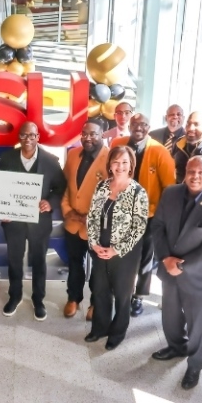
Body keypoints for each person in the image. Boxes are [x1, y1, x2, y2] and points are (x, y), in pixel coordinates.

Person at [151, 156, 202, 390]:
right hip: (169, 267)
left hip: (199, 276)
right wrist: (165, 258)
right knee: (170, 314)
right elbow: (157, 227)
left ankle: (195, 365)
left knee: (198, 324)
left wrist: (180, 266)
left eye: (201, 173)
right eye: (191, 171)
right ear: (185, 172)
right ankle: (176, 346)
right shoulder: (170, 193)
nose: (195, 176)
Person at [0, 121, 66, 321]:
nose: (28, 139)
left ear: (38, 137)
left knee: (39, 262)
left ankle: (38, 299)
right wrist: (1, 208)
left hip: (39, 222)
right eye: (24, 135)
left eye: (32, 135)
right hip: (13, 221)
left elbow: (60, 188)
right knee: (14, 260)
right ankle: (15, 295)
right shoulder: (7, 159)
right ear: (19, 137)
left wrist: (50, 202)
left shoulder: (51, 161)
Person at [84, 146, 148, 351]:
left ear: (131, 165)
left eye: (124, 162)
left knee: (122, 294)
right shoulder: (102, 186)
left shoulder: (138, 192)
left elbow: (139, 228)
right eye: (116, 162)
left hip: (125, 253)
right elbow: (92, 216)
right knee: (100, 290)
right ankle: (99, 328)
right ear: (109, 165)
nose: (120, 166)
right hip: (100, 247)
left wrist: (116, 250)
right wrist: (94, 243)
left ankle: (117, 333)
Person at [111, 113, 175, 316]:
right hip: (121, 211)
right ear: (129, 125)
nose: (139, 127)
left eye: (144, 124)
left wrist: (161, 217)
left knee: (145, 258)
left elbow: (169, 187)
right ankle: (122, 291)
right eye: (135, 124)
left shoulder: (159, 151)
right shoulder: (118, 143)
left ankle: (138, 296)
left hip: (148, 214)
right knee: (121, 253)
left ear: (149, 127)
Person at [62, 119, 109, 319]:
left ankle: (96, 303)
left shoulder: (111, 158)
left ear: (102, 135)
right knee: (74, 263)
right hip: (73, 223)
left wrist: (91, 217)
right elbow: (65, 186)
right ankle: (73, 298)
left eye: (93, 134)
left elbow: (113, 195)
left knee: (99, 268)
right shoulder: (73, 154)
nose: (88, 138)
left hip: (97, 226)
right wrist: (67, 210)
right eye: (84, 134)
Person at [173, 111, 202, 184]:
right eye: (188, 124)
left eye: (196, 124)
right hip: (177, 189)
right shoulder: (178, 143)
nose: (190, 128)